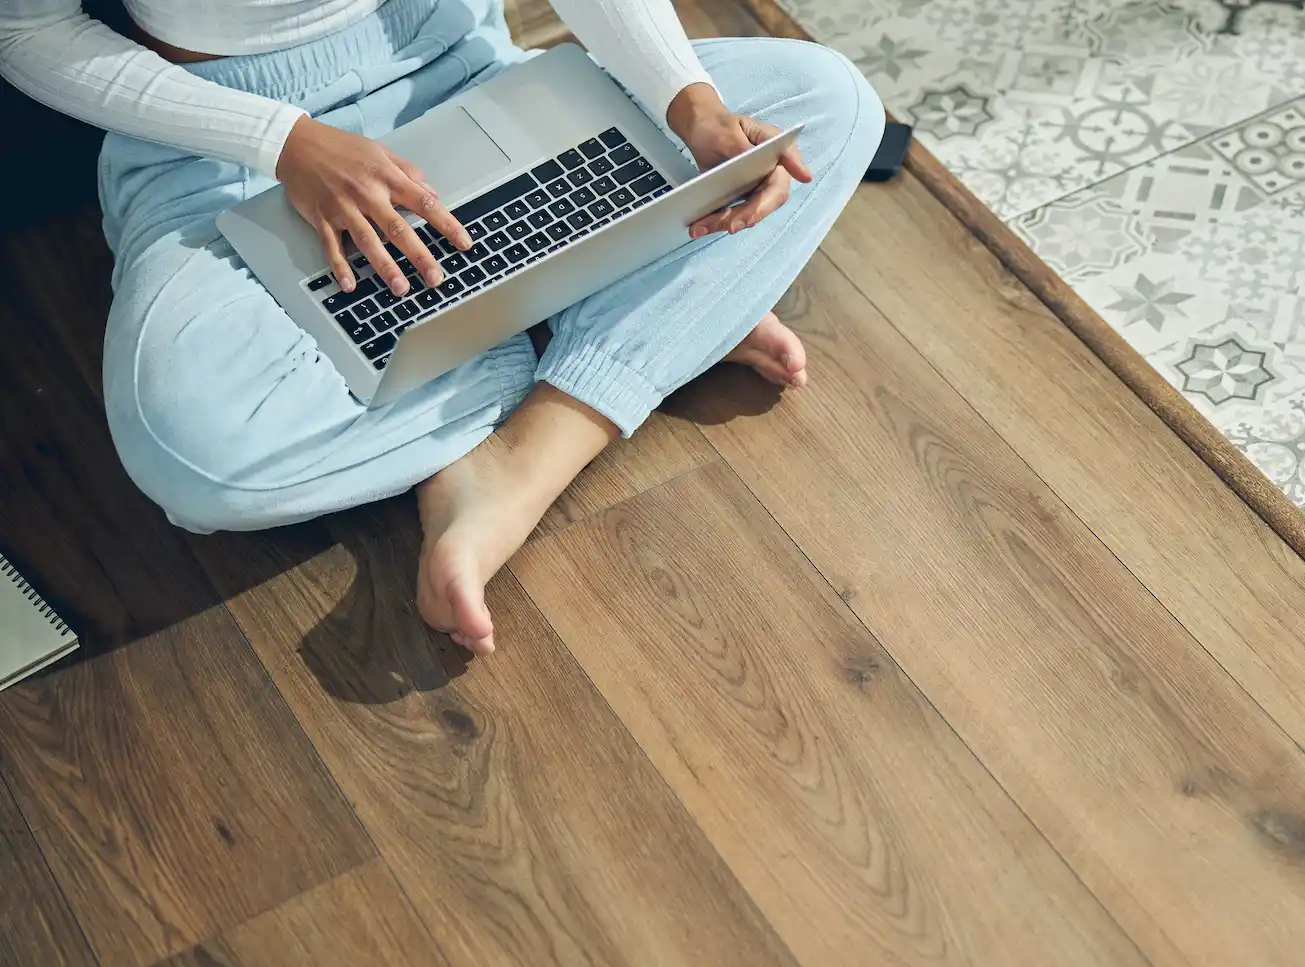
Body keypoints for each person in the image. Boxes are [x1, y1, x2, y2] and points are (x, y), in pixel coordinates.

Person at [0, 0, 883, 655]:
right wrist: (283, 142)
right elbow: (22, 27)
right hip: (217, 143)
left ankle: (526, 457)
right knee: (183, 450)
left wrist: (690, 105)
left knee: (827, 101)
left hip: (449, 59)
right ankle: (625, 302)